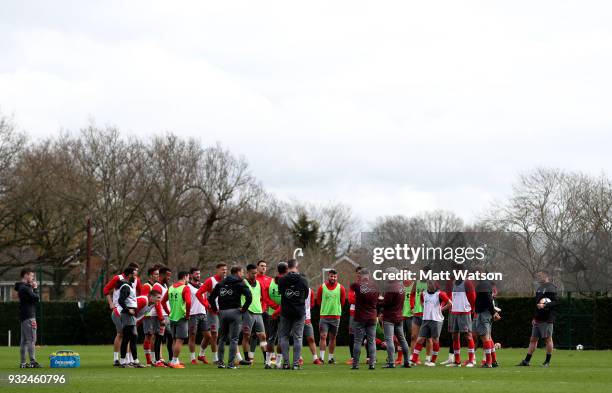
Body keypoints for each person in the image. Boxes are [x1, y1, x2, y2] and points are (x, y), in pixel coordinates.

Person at [209, 265, 252, 369]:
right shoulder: (240, 283)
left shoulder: (220, 283)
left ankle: (220, 363)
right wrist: (244, 309)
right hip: (235, 312)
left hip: (222, 313)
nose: (242, 274)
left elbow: (211, 298)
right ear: (237, 272)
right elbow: (249, 297)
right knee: (234, 339)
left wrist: (216, 310)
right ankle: (231, 364)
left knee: (222, 339)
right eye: (242, 272)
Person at [103, 262, 141, 366]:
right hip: (119, 310)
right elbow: (106, 289)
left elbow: (139, 294)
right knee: (121, 334)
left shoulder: (136, 280)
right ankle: (116, 358)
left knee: (129, 334)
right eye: (135, 271)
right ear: (130, 272)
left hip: (128, 311)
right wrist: (111, 303)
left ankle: (128, 359)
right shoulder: (118, 278)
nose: (136, 274)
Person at [518, 270, 557, 367]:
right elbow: (537, 304)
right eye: (538, 276)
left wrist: (545, 305)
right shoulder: (539, 288)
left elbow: (556, 302)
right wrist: (534, 317)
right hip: (538, 319)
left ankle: (547, 362)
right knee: (533, 339)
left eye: (540, 275)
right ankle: (526, 361)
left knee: (548, 339)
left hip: (547, 318)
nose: (539, 277)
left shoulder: (551, 287)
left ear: (546, 276)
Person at [410, 280, 452, 366]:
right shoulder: (424, 293)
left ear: (436, 285)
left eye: (432, 284)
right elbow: (421, 301)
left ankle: (432, 361)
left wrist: (441, 309)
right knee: (420, 339)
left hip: (436, 320)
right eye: (429, 284)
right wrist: (424, 307)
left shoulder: (440, 294)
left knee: (435, 340)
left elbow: (450, 303)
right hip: (425, 319)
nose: (430, 286)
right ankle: (413, 360)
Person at [278, 258, 309, 370]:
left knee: (284, 337)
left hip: (286, 311)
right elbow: (306, 295)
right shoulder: (303, 280)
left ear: (287, 267)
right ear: (296, 266)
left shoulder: (282, 280)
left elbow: (281, 293)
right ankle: (295, 364)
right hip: (299, 311)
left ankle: (286, 363)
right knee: (298, 338)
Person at [196, 263, 227, 364]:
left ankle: (201, 354)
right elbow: (199, 293)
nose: (225, 271)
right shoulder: (211, 281)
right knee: (214, 335)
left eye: (226, 269)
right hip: (213, 312)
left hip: (224, 311)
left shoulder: (227, 281)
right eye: (223, 269)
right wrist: (207, 305)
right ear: (217, 270)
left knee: (226, 334)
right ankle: (215, 359)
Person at [380, 268, 410, 368]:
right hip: (399, 317)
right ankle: (407, 362)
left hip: (389, 317)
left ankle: (391, 363)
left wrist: (378, 300)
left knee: (389, 340)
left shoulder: (391, 287)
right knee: (402, 340)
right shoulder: (401, 286)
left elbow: (386, 303)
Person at [160, 271, 191, 368]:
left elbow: (163, 302)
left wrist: (169, 312)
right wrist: (188, 314)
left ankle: (174, 360)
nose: (188, 279)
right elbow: (189, 302)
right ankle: (174, 361)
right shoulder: (185, 288)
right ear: (185, 277)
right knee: (180, 340)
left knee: (174, 340)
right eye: (188, 277)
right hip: (181, 316)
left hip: (172, 317)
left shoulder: (171, 288)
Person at [350, 268, 379, 370]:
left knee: (357, 341)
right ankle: (372, 363)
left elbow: (352, 285)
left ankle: (356, 364)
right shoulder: (375, 286)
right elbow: (378, 298)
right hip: (372, 316)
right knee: (371, 341)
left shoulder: (357, 286)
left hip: (360, 317)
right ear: (369, 275)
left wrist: (358, 279)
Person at [316, 269, 346, 364]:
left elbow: (343, 301)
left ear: (336, 277)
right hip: (324, 316)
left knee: (333, 337)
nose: (333, 278)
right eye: (331, 276)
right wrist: (325, 308)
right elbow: (318, 301)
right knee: (323, 336)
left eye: (334, 276)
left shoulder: (341, 288)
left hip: (336, 316)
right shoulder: (322, 287)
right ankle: (321, 358)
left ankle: (330, 358)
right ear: (328, 276)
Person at [446, 276, 476, 367]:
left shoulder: (467, 282)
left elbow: (473, 297)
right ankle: (457, 361)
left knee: (468, 336)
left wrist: (469, 308)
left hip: (464, 312)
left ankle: (471, 361)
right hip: (454, 312)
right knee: (454, 336)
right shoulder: (454, 283)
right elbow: (452, 297)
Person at [241, 264, 268, 365]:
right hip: (248, 312)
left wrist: (262, 308)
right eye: (253, 273)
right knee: (246, 336)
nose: (255, 275)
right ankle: (247, 359)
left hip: (258, 312)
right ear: (247, 273)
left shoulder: (258, 283)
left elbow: (261, 297)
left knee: (263, 336)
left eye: (256, 273)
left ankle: (266, 360)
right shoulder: (243, 283)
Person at [15, 267, 41, 369]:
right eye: (31, 276)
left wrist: (31, 287)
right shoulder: (26, 288)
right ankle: (33, 362)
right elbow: (36, 298)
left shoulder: (21, 287)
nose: (33, 278)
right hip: (30, 316)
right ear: (25, 275)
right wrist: (35, 288)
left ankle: (23, 363)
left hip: (24, 316)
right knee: (31, 340)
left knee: (24, 341)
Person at [187, 267, 212, 365]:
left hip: (203, 313)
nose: (198, 275)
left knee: (208, 336)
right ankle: (193, 358)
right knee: (192, 336)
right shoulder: (187, 287)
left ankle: (201, 354)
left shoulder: (202, 285)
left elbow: (205, 298)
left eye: (199, 273)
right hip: (193, 314)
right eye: (196, 274)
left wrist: (208, 306)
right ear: (191, 275)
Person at [474, 279, 501, 368]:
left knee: (485, 337)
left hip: (483, 314)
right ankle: (493, 361)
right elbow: (490, 301)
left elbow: (488, 300)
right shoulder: (486, 286)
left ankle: (488, 362)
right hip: (486, 313)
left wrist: (493, 313)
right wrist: (494, 313)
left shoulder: (483, 286)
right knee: (488, 337)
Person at [265, 261, 287, 369]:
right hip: (283, 313)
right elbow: (288, 298)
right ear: (286, 270)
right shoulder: (287, 282)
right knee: (282, 338)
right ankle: (278, 363)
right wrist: (279, 308)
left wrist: (273, 307)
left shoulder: (270, 282)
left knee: (270, 338)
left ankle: (268, 362)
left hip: (271, 313)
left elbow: (265, 297)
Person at [151, 266, 173, 367]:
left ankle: (172, 359)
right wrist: (161, 318)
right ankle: (157, 360)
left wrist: (169, 313)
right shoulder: (157, 286)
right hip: (159, 317)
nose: (169, 278)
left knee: (170, 336)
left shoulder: (165, 286)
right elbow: (157, 303)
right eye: (168, 275)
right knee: (159, 337)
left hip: (165, 315)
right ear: (162, 275)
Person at [140, 265, 160, 366]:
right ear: (150, 275)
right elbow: (145, 301)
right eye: (156, 274)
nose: (158, 276)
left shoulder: (156, 285)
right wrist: (146, 314)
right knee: (148, 336)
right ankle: (149, 360)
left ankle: (155, 358)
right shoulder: (147, 286)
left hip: (154, 315)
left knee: (154, 336)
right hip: (148, 315)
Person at [301, 287, 322, 365]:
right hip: (297, 319)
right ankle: (299, 358)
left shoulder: (310, 291)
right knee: (298, 339)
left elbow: (312, 304)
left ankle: (315, 358)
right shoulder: (295, 289)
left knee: (311, 338)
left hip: (307, 318)